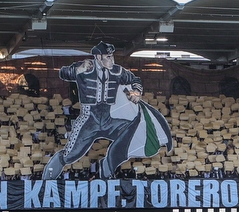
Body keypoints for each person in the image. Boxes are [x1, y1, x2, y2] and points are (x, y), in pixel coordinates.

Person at [42, 42, 171, 180]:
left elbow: (134, 79)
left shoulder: (117, 71)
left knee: (131, 128)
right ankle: (45, 181)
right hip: (88, 120)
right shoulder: (85, 68)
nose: (112, 60)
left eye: (112, 56)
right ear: (98, 57)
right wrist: (79, 69)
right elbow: (63, 73)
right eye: (108, 57)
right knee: (70, 155)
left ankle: (108, 165)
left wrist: (137, 91)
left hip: (108, 119)